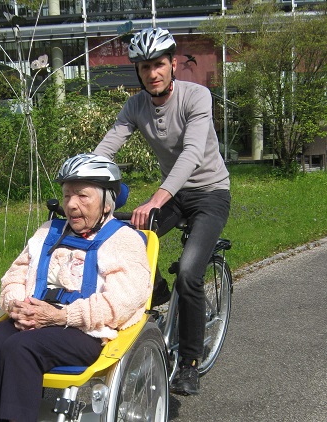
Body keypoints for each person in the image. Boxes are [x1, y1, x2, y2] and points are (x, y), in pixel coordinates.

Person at [93, 27, 231, 396]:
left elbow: (192, 153)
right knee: (124, 240)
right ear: (137, 71)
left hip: (210, 194)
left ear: (172, 64)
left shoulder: (197, 97)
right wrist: (78, 182)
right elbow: (106, 148)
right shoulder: (135, 106)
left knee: (189, 272)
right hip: (174, 194)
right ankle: (156, 292)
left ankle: (189, 361)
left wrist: (157, 198)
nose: (152, 73)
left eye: (159, 64)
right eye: (144, 67)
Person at [0, 153, 152, 422]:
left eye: (82, 196)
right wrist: (17, 306)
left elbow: (124, 299)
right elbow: (14, 275)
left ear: (106, 203)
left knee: (21, 348)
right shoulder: (48, 231)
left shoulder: (124, 240)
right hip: (35, 317)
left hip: (83, 329)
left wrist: (60, 317)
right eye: (67, 196)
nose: (71, 205)